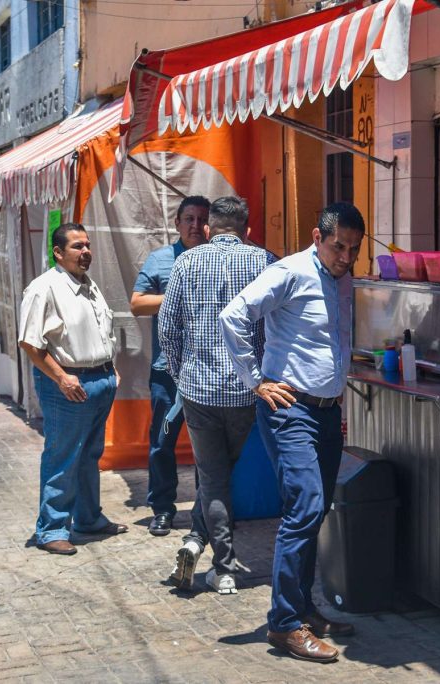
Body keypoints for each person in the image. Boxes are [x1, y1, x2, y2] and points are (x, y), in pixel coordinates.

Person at [220, 202, 364, 664]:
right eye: (339, 246)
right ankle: (284, 623)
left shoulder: (345, 280)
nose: (345, 257)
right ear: (317, 237)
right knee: (304, 504)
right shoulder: (291, 271)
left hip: (326, 412)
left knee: (316, 508)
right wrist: (256, 380)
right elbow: (234, 316)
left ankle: (302, 607)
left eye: (353, 249)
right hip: (290, 409)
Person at [158, 197, 276, 594]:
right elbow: (278, 326)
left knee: (213, 476)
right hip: (247, 391)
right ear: (247, 228)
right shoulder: (264, 262)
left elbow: (168, 328)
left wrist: (181, 373)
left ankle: (219, 563)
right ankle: (202, 543)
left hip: (199, 391)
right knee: (220, 474)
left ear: (209, 227)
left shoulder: (187, 262)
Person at [18, 223, 128, 556]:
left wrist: (111, 369)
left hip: (100, 381)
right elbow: (29, 343)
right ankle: (51, 529)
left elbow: (100, 333)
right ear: (58, 252)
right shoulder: (44, 288)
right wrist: (62, 378)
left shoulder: (90, 286)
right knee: (62, 457)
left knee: (89, 455)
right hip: (68, 385)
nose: (85, 252)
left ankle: (88, 519)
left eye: (87, 245)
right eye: (77, 246)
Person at [131, 195, 211, 537]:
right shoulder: (161, 260)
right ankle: (162, 509)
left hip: (209, 372)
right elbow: (137, 303)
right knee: (163, 442)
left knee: (208, 448)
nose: (195, 226)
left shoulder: (218, 261)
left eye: (201, 220)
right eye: (188, 219)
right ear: (177, 224)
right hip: (169, 375)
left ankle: (207, 512)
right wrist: (175, 296)